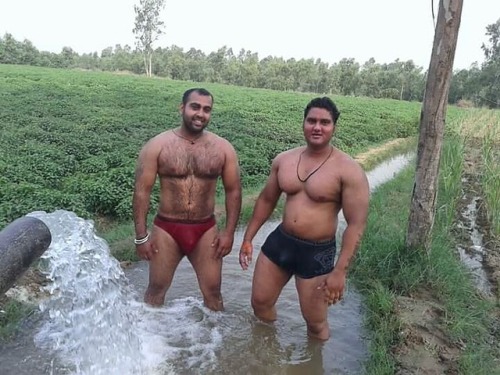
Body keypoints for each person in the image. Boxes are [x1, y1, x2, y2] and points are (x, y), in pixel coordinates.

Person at [239, 97, 369, 340]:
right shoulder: (284, 160)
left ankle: (313, 362)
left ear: (334, 127)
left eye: (324, 122)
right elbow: (267, 200)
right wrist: (247, 238)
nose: (317, 127)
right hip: (280, 242)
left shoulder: (349, 170)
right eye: (312, 121)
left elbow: (356, 224)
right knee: (260, 304)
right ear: (304, 123)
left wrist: (340, 271)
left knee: (315, 324)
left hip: (316, 253)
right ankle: (267, 353)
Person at [133, 88, 242, 311]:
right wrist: (141, 237)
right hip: (166, 229)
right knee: (156, 290)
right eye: (195, 107)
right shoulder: (158, 145)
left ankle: (216, 345)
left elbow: (234, 191)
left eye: (206, 109)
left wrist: (229, 233)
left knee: (213, 293)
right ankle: (149, 343)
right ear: (182, 108)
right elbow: (142, 191)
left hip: (205, 229)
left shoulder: (223, 148)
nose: (200, 114)